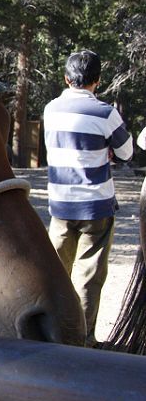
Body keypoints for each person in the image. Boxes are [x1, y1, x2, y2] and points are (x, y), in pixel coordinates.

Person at [43, 50, 133, 347]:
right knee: (88, 276)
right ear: (97, 80)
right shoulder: (106, 113)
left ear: (66, 78)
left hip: (60, 204)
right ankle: (81, 340)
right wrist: (106, 146)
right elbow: (127, 153)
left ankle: (49, 333)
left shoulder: (51, 109)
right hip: (97, 205)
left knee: (55, 273)